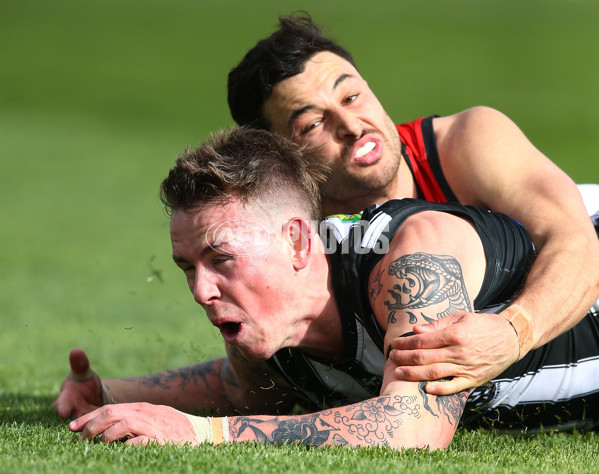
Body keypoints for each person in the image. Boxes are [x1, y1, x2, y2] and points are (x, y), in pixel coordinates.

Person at [56, 126, 581, 449]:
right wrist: (111, 396)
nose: (201, 290)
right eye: (187, 267)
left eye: (221, 260)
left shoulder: (411, 263)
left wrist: (200, 434)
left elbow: (411, 430)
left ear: (297, 243)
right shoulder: (271, 322)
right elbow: (240, 389)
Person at [226, 13, 599, 396]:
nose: (353, 126)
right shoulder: (299, 232)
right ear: (282, 157)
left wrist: (514, 332)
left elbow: (578, 242)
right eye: (313, 124)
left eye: (352, 97)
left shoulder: (466, 144)